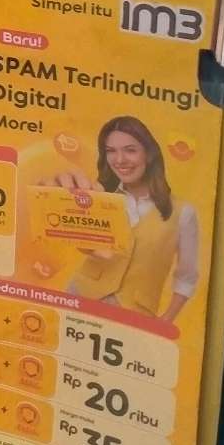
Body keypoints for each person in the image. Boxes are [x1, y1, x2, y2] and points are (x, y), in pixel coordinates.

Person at [45, 115, 199, 321]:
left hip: (135, 312)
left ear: (149, 154)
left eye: (130, 150)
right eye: (111, 151)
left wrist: (166, 320)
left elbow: (187, 275)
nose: (119, 160)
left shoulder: (183, 212)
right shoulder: (99, 196)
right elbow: (83, 243)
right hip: (80, 296)